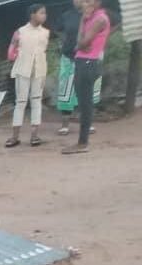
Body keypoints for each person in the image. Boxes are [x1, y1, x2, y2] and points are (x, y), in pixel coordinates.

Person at [63, 0, 111, 154]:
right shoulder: (91, 17)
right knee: (84, 103)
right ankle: (82, 142)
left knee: (85, 104)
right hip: (85, 62)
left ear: (98, 2)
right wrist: (83, 20)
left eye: (89, 0)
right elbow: (80, 42)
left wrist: (80, 44)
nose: (86, 3)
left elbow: (82, 43)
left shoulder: (100, 19)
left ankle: (83, 143)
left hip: (88, 63)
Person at [6, 4, 50, 148]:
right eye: (41, 13)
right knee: (21, 102)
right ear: (32, 14)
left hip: (39, 70)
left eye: (44, 13)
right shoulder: (20, 32)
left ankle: (34, 135)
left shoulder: (45, 32)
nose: (44, 16)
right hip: (22, 70)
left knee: (37, 100)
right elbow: (11, 52)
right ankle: (14, 136)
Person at [56, 0, 100, 136]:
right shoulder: (67, 15)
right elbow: (58, 30)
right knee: (66, 91)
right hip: (69, 56)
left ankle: (88, 123)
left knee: (88, 90)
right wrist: (65, 41)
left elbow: (105, 30)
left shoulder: (96, 17)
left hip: (89, 57)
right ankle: (65, 125)